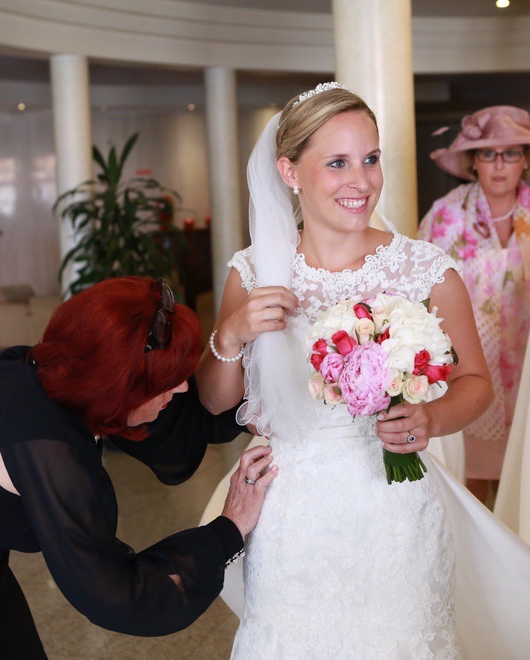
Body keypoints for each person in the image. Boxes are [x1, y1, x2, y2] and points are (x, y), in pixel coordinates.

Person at [196, 83, 494, 657]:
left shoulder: (424, 269)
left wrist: (429, 417)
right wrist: (230, 334)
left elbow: (476, 384)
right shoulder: (253, 272)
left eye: (371, 158)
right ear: (290, 171)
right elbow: (213, 402)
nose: (362, 181)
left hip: (393, 510)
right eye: (337, 163)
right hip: (289, 514)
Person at [0, 276, 276, 659]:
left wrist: (253, 403)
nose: (180, 387)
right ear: (119, 386)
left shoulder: (75, 376)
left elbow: (177, 429)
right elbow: (116, 593)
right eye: (164, 381)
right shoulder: (46, 443)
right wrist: (228, 528)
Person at [416, 106, 530, 504]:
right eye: (488, 154)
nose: (499, 165)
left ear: (526, 161)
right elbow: (417, 284)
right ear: (473, 162)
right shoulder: (446, 213)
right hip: (466, 363)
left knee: (528, 472)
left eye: (511, 153)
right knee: (470, 476)